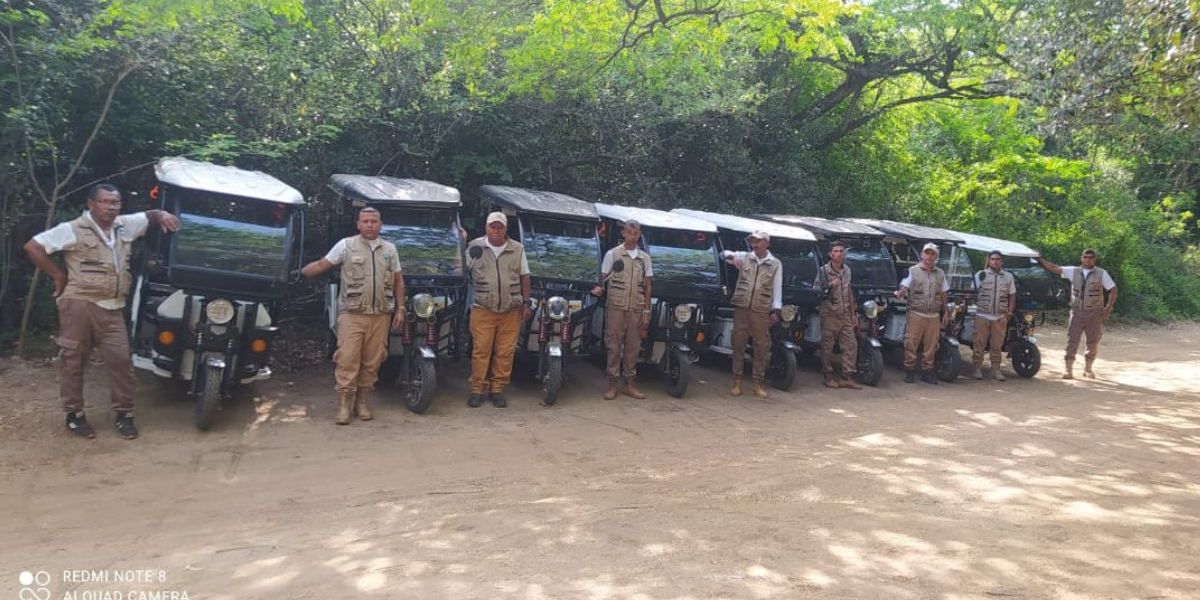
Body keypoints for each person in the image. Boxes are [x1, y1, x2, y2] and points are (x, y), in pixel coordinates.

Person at [22, 183, 181, 439]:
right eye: (105, 202)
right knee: (73, 362)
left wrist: (161, 215)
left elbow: (149, 216)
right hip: (80, 304)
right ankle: (74, 415)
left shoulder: (123, 225)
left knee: (121, 362)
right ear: (91, 204)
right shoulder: (72, 229)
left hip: (113, 308)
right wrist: (57, 275)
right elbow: (33, 247)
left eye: (115, 202)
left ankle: (124, 415)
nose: (110, 207)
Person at [302, 207, 404, 425]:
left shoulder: (390, 250)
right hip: (352, 314)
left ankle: (362, 402)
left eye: (374, 221)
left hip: (380, 315)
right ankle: (344, 406)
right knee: (347, 359)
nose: (369, 225)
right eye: (365, 221)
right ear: (358, 224)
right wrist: (303, 271)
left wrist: (401, 308)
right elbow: (323, 264)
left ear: (380, 224)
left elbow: (398, 280)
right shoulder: (346, 245)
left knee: (372, 362)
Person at [465, 212, 532, 408]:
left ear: (505, 229)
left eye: (500, 227)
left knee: (505, 352)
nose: (496, 230)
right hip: (483, 308)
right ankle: (477, 389)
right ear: (486, 228)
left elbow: (525, 276)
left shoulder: (517, 249)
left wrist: (526, 303)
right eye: (492, 226)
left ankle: (497, 390)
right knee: (481, 351)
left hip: (511, 310)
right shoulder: (474, 247)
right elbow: (461, 271)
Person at [592, 219, 653, 400]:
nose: (632, 237)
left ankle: (630, 384)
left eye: (635, 234)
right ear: (623, 233)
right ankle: (612, 384)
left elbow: (648, 286)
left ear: (639, 235)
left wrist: (647, 311)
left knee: (633, 347)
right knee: (613, 346)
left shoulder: (645, 259)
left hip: (636, 308)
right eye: (629, 233)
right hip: (616, 308)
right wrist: (598, 288)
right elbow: (602, 279)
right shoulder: (613, 255)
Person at [1035, 249, 1118, 379]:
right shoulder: (1073, 271)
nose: (1088, 259)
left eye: (1091, 257)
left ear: (1094, 259)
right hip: (1077, 310)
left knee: (1093, 341)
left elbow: (1113, 290)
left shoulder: (1102, 273)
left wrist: (1107, 308)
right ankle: (1068, 369)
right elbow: (1054, 268)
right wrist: (1039, 258)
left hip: (1094, 311)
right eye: (1086, 257)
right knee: (1072, 340)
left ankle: (1088, 368)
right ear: (1081, 258)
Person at [722, 230, 783, 399]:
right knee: (738, 344)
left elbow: (777, 288)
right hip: (742, 308)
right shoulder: (745, 256)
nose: (755, 244)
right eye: (753, 241)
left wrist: (776, 309)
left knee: (761, 347)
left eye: (758, 241)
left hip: (761, 309)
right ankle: (736, 381)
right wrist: (732, 258)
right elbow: (723, 254)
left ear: (767, 243)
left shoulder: (775, 263)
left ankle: (757, 383)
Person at [895, 242, 950, 384]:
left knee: (931, 345)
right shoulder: (912, 271)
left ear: (936, 256)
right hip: (916, 313)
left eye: (932, 253)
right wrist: (900, 293)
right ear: (922, 254)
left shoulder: (940, 273)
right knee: (911, 343)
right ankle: (909, 370)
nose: (929, 256)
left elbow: (944, 293)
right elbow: (904, 286)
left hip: (934, 314)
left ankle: (927, 371)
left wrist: (946, 311)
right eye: (927, 252)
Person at [815, 240, 861, 390]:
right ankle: (828, 376)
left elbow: (849, 292)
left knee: (851, 345)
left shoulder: (847, 270)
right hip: (830, 314)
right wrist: (829, 285)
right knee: (827, 346)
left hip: (845, 314)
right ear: (830, 254)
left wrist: (853, 314)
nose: (839, 254)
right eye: (835, 251)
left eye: (841, 251)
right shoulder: (823, 270)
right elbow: (816, 289)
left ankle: (846, 377)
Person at [972, 250, 1017, 381]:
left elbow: (1012, 295)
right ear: (989, 260)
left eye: (998, 259)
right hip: (982, 315)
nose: (995, 261)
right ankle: (977, 369)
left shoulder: (1008, 277)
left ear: (1001, 261)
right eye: (992, 259)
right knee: (979, 344)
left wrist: (1009, 312)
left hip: (1000, 316)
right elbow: (971, 292)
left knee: (997, 345)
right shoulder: (981, 275)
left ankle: (996, 370)